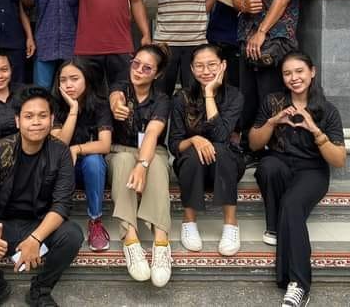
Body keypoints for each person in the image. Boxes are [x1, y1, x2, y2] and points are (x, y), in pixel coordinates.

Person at [0, 86, 83, 307]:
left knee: (72, 235)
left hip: (39, 223)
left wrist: (35, 239)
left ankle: (40, 290)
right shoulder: (0, 150)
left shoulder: (60, 152)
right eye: (28, 116)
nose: (36, 122)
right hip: (3, 224)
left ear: (51, 120)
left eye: (42, 116)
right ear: (18, 121)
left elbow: (62, 205)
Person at [250, 52, 346, 307]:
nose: (294, 78)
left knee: (292, 205)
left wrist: (315, 130)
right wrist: (273, 122)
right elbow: (254, 143)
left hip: (312, 171)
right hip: (280, 164)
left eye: (299, 71)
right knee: (267, 166)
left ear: (312, 72)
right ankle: (275, 225)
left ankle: (299, 285)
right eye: (287, 73)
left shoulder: (327, 110)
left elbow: (338, 160)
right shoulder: (273, 102)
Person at [232, 0, 307, 157]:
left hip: (275, 40)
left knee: (272, 97)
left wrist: (262, 31)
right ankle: (249, 150)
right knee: (247, 98)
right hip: (246, 40)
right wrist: (244, 5)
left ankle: (275, 152)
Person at [169, 44, 245, 257]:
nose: (206, 71)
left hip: (227, 165)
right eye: (199, 66)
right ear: (192, 69)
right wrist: (195, 139)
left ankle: (231, 224)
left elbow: (221, 135)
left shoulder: (235, 96)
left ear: (223, 65)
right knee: (193, 152)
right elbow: (174, 144)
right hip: (192, 167)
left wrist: (209, 94)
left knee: (221, 148)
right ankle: (189, 221)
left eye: (212, 65)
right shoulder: (181, 98)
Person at [107, 44, 172, 287]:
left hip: (152, 150)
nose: (138, 71)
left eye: (147, 68)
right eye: (136, 64)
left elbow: (153, 133)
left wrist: (142, 164)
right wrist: (116, 105)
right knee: (124, 161)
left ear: (157, 74)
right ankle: (131, 239)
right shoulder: (120, 87)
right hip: (120, 150)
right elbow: (115, 97)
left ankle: (161, 241)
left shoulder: (162, 99)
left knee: (155, 164)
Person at [51, 59, 111, 252]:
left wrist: (77, 149)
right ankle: (56, 219)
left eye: (74, 79)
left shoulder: (100, 104)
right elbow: (60, 145)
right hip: (61, 168)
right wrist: (73, 110)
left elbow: (105, 144)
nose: (68, 85)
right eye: (63, 80)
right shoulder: (53, 104)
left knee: (94, 161)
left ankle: (95, 221)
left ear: (87, 79)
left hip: (89, 170)